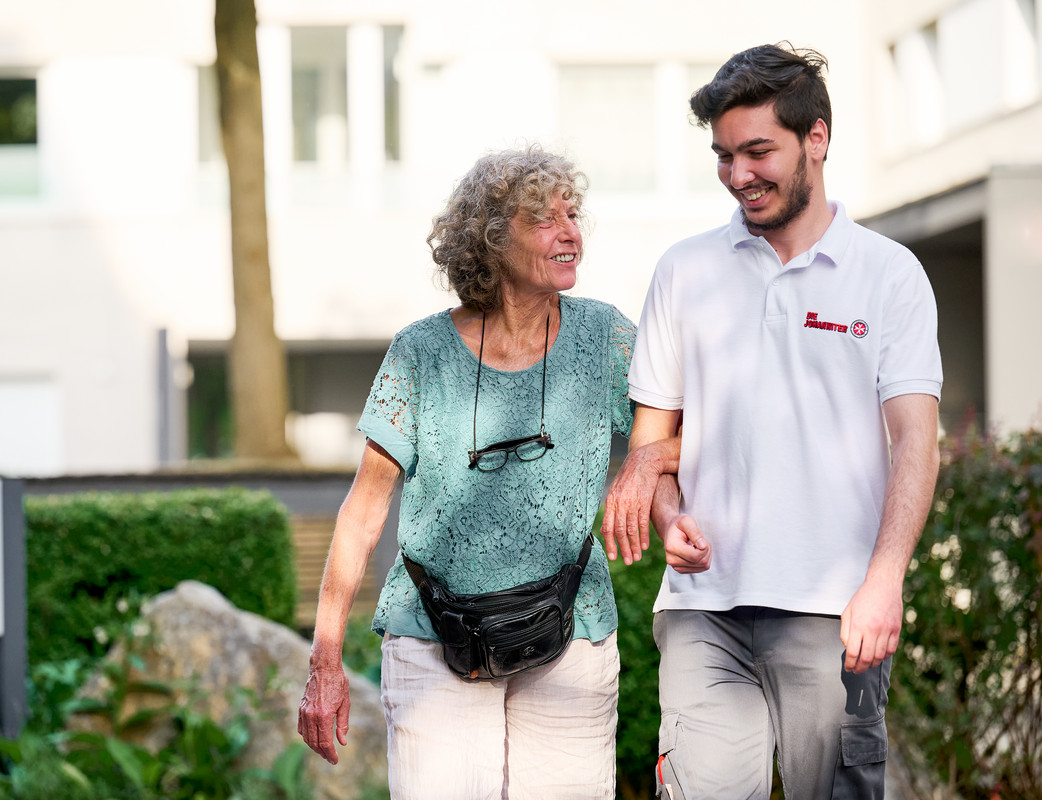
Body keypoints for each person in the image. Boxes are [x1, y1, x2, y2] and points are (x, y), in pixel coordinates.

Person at [602, 43, 942, 799]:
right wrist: (668, 515)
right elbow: (652, 442)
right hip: (704, 611)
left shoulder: (889, 275)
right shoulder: (684, 270)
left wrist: (884, 581)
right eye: (724, 156)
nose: (738, 175)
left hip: (835, 609)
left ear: (816, 138)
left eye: (758, 152)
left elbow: (916, 442)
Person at [298, 145, 677, 799]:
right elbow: (363, 512)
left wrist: (646, 461)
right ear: (493, 240)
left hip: (571, 631)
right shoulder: (420, 352)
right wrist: (324, 661)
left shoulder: (605, 336)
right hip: (433, 634)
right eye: (546, 219)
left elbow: (690, 432)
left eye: (573, 214)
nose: (570, 232)